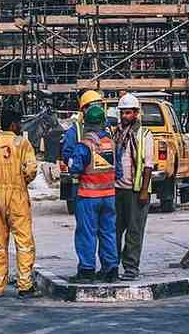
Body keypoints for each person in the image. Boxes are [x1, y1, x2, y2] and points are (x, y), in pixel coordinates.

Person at [0, 102, 40, 298]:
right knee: (23, 242)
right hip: (17, 195)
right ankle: (25, 285)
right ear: (13, 125)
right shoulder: (22, 144)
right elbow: (31, 168)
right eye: (19, 124)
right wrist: (23, 181)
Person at [67, 102, 120, 282]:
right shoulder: (112, 144)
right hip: (109, 196)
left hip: (88, 197)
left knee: (87, 233)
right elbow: (118, 171)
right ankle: (111, 269)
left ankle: (87, 270)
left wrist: (71, 164)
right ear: (103, 122)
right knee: (108, 232)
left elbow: (75, 169)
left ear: (86, 124)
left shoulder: (85, 145)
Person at [114, 92, 155, 279]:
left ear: (136, 113)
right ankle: (111, 266)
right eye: (122, 113)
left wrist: (144, 190)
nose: (125, 116)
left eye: (128, 113)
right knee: (114, 230)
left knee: (134, 231)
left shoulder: (144, 135)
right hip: (117, 189)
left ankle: (131, 268)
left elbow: (148, 165)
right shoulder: (116, 133)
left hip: (136, 190)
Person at [59, 90, 105, 211]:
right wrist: (76, 165)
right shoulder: (75, 131)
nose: (98, 109)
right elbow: (67, 156)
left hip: (106, 189)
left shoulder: (108, 128)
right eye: (94, 106)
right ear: (84, 110)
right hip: (84, 189)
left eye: (99, 106)